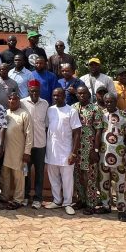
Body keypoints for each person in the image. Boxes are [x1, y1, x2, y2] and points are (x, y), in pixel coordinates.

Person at [97, 92, 126, 222]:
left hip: (119, 157)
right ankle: (105, 205)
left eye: (111, 101)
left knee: (120, 184)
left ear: (116, 102)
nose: (108, 104)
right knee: (103, 182)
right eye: (106, 101)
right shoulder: (101, 114)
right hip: (103, 155)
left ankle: (121, 209)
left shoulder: (123, 115)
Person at [45, 87, 82, 215]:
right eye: (54, 95)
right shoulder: (50, 110)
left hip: (66, 151)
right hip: (51, 151)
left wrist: (73, 153)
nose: (56, 98)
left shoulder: (71, 111)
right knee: (53, 178)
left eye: (59, 95)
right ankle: (57, 200)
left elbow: (77, 133)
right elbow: (47, 128)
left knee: (67, 180)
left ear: (64, 96)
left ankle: (67, 203)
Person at [71, 85, 102, 215]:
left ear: (89, 95)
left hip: (89, 147)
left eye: (84, 93)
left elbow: (99, 130)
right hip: (76, 147)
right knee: (77, 175)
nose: (81, 95)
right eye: (79, 93)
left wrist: (95, 150)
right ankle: (81, 200)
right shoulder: (73, 108)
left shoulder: (95, 109)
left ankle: (91, 203)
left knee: (90, 176)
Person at [1, 92, 33, 210]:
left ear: (18, 101)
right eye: (10, 99)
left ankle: (18, 199)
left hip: (19, 152)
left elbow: (29, 135)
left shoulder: (24, 114)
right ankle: (4, 196)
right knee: (4, 176)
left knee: (19, 177)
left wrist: (27, 152)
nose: (12, 101)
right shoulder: (5, 113)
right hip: (6, 151)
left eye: (14, 99)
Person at [20, 80, 48, 209]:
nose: (34, 93)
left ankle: (38, 198)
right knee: (25, 172)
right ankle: (25, 196)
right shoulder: (22, 103)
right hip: (27, 145)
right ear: (28, 91)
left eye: (36, 91)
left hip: (41, 144)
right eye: (32, 91)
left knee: (39, 172)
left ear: (39, 91)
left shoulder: (45, 104)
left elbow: (46, 125)